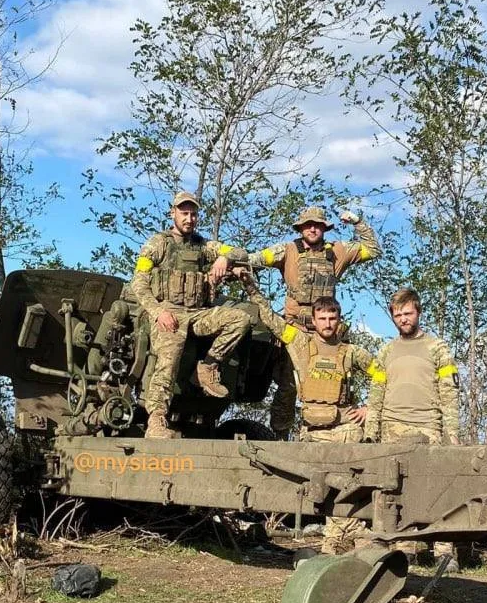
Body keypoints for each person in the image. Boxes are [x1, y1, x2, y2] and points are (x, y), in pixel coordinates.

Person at [234, 266, 372, 554]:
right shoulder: (299, 343)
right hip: (313, 435)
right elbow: (270, 318)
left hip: (346, 433)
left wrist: (372, 408)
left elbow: (384, 374)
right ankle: (341, 538)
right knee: (323, 490)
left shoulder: (351, 352)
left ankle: (344, 538)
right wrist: (250, 286)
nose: (327, 323)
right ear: (314, 320)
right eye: (322, 318)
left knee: (350, 487)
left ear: (339, 320)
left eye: (332, 318)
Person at [247, 206, 381, 438]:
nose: (312, 228)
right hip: (296, 332)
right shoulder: (287, 251)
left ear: (324, 229)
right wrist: (230, 266)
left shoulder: (338, 251)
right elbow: (253, 260)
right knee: (289, 386)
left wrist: (358, 222)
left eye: (317, 225)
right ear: (300, 228)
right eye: (308, 224)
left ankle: (340, 432)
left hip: (329, 334)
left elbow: (373, 249)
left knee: (341, 384)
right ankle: (281, 437)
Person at [130, 191, 251, 439]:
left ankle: (206, 367)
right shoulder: (157, 243)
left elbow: (241, 253)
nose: (189, 218)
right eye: (184, 213)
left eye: (193, 214)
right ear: (173, 213)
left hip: (197, 314)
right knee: (169, 357)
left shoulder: (204, 246)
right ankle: (156, 420)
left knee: (240, 319)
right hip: (168, 312)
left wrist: (224, 259)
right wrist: (158, 312)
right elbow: (139, 284)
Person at [364, 286, 461, 566]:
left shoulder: (437, 348)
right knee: (395, 491)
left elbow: (449, 393)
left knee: (436, 489)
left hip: (428, 427)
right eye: (397, 315)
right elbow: (376, 395)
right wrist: (371, 432)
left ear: (418, 312)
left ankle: (443, 551)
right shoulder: (386, 351)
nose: (403, 319)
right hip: (392, 428)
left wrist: (451, 433)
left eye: (407, 313)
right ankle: (403, 547)